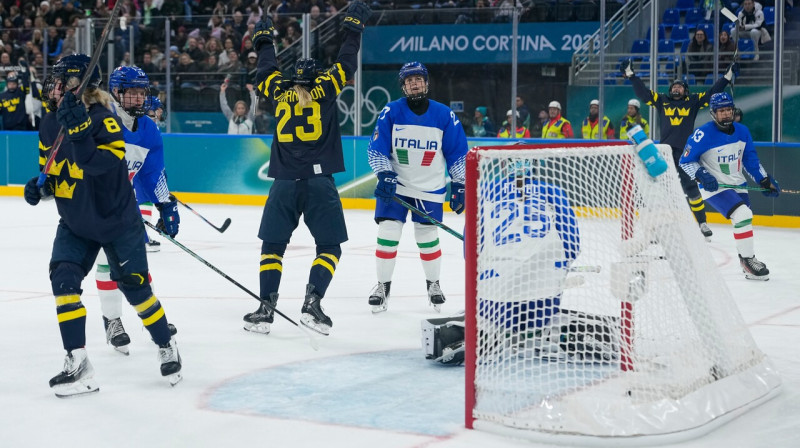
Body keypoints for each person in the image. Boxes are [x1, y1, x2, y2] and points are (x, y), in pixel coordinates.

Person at [23, 54, 182, 396]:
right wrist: (39, 188)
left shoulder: (105, 120)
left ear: (76, 86)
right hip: (76, 221)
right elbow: (51, 174)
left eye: (61, 81)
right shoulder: (51, 123)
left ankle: (165, 344)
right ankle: (77, 361)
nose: (53, 86)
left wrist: (81, 133)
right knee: (63, 281)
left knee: (136, 288)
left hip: (116, 221)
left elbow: (103, 166)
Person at [242, 2, 372, 336]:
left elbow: (266, 69)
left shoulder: (278, 89)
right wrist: (353, 28)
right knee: (329, 248)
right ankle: (312, 304)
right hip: (319, 183)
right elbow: (346, 62)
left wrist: (264, 41)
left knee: (273, 247)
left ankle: (265, 308)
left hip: (283, 183)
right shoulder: (326, 88)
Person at [422, 160, 615, 365]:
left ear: (505, 167)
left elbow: (470, 255)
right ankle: (552, 332)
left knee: (482, 311)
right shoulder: (554, 192)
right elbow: (572, 246)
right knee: (545, 309)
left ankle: (484, 333)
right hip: (544, 300)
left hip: (495, 300)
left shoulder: (486, 192)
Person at [90, 65, 180, 355]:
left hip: (123, 207)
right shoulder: (101, 120)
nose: (140, 99)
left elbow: (153, 174)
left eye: (143, 92)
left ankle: (152, 318)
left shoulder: (149, 129)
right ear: (116, 92)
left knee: (137, 265)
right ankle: (112, 320)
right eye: (133, 93)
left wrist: (165, 204)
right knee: (106, 262)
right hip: (93, 206)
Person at [366, 61, 468, 314]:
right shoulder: (391, 111)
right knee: (388, 234)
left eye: (418, 79)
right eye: (409, 80)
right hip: (396, 187)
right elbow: (376, 148)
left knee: (428, 238)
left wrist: (460, 184)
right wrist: (385, 174)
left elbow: (457, 153)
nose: (414, 83)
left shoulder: (444, 115)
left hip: (429, 189)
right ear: (403, 86)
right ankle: (382, 285)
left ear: (426, 82)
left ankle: (433, 284)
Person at [621, 58, 738, 241]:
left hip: (686, 153)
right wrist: (631, 75)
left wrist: (726, 77)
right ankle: (658, 227)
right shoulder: (662, 100)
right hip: (665, 153)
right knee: (661, 191)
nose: (676, 88)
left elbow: (712, 93)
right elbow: (643, 94)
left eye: (680, 86)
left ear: (686, 90)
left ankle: (702, 223)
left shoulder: (692, 101)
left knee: (692, 189)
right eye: (674, 86)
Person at [679, 92, 779, 280]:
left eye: (728, 109)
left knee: (743, 220)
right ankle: (749, 261)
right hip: (714, 187)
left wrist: (764, 180)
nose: (726, 114)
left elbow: (750, 159)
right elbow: (685, 161)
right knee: (743, 214)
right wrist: (701, 175)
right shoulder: (703, 134)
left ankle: (744, 260)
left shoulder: (743, 131)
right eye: (721, 110)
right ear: (713, 113)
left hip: (738, 184)